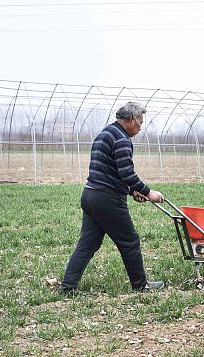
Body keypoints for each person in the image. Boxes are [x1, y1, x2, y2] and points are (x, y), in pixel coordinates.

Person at [60, 102, 165, 293]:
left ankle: (68, 287)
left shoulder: (105, 133)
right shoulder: (122, 139)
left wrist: (132, 191)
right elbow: (127, 174)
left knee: (87, 243)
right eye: (140, 122)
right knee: (130, 241)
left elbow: (110, 171)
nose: (141, 127)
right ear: (130, 120)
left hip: (90, 195)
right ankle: (141, 286)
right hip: (107, 199)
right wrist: (149, 192)